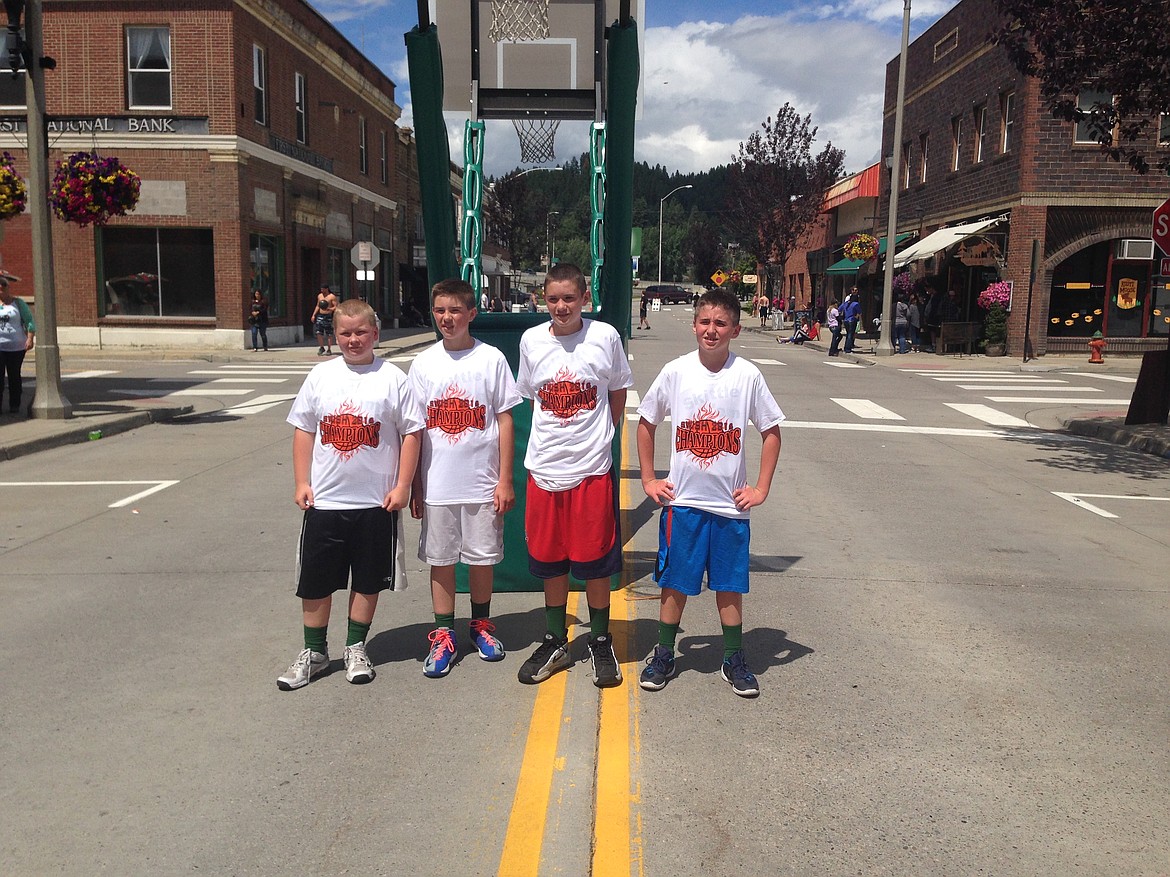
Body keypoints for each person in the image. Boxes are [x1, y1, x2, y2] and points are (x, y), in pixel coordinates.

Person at [636, 287, 783, 698]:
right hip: (682, 504)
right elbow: (646, 422)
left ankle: (733, 656)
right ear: (694, 326)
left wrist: (761, 488)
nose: (711, 330)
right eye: (704, 322)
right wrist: (649, 480)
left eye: (720, 323)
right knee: (676, 583)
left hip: (730, 507)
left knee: (729, 584)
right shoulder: (676, 371)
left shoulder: (747, 375)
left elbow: (771, 431)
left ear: (735, 328)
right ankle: (664, 651)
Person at [277, 298, 424, 691]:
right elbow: (304, 429)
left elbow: (412, 432)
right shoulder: (320, 375)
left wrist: (403, 485)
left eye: (361, 332)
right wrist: (301, 481)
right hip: (326, 500)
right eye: (345, 333)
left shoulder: (393, 377)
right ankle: (315, 652)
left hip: (376, 502)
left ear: (375, 334)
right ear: (334, 335)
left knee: (368, 579)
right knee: (316, 581)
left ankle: (356, 646)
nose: (353, 340)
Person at [515, 263, 633, 688]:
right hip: (545, 467)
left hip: (591, 469)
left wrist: (604, 434)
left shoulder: (604, 337)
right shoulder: (531, 340)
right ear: (542, 300)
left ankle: (601, 639)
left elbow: (617, 390)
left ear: (585, 298)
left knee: (595, 562)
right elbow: (532, 397)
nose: (561, 306)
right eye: (553, 299)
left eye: (569, 298)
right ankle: (555, 639)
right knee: (550, 562)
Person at [408, 279, 522, 678]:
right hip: (437, 481)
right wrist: (415, 486)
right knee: (441, 561)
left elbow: (506, 418)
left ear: (472, 314)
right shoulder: (423, 363)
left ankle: (480, 625)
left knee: (481, 557)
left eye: (455, 310)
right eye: (440, 310)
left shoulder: (490, 359)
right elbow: (415, 430)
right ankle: (442, 632)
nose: (447, 317)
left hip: (481, 480)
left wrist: (505, 478)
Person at [0, 271, 34, 416]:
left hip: (16, 347)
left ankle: (15, 404)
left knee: (14, 376)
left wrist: (30, 338)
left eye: (4, 286)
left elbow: (30, 322)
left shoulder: (18, 304)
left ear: (8, 288)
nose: (1, 289)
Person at [311, 284, 338, 356]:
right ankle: (321, 347)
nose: (322, 290)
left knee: (329, 333)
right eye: (321, 289)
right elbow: (317, 306)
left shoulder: (332, 296)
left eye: (323, 289)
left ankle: (329, 349)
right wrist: (314, 315)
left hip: (328, 316)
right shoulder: (320, 296)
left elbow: (336, 307)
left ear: (327, 289)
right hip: (320, 315)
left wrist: (330, 309)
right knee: (319, 332)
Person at [842, 288, 862, 353]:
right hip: (852, 320)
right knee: (851, 334)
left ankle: (846, 347)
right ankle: (848, 348)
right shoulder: (856, 304)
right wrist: (856, 316)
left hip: (845, 320)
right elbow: (859, 312)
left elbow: (839, 309)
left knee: (848, 334)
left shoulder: (845, 304)